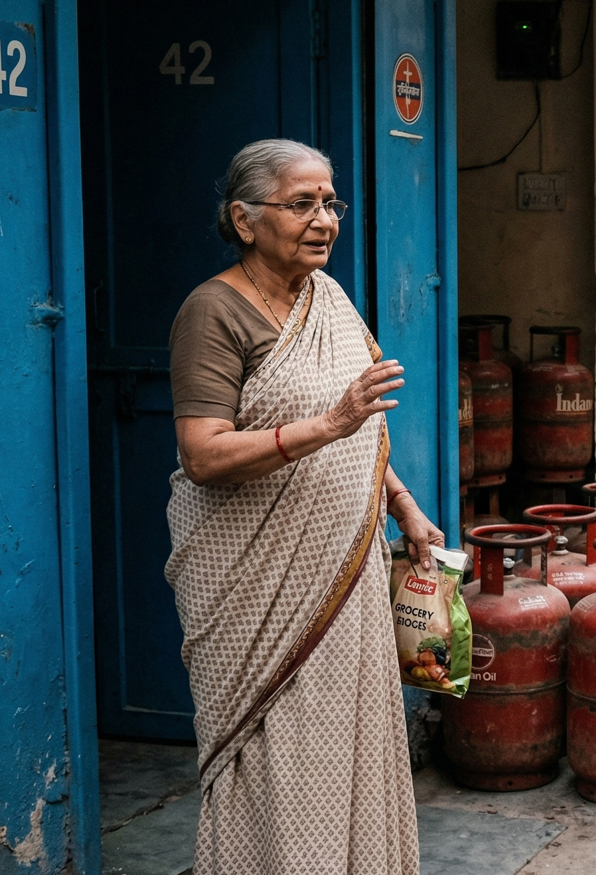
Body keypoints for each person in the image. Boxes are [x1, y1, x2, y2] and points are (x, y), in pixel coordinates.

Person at [168, 139, 437, 874]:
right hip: (256, 595)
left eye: (330, 203)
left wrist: (403, 504)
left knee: (346, 742)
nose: (324, 220)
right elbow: (203, 454)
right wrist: (327, 425)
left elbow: (366, 429)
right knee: (275, 755)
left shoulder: (331, 300)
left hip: (342, 584)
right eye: (302, 204)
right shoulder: (212, 312)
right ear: (245, 219)